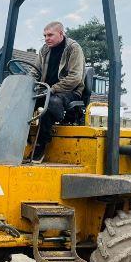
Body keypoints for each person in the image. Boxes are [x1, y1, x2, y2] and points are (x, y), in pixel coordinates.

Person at [32, 21, 85, 161]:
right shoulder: (44, 50)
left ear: (61, 34)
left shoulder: (73, 49)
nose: (46, 38)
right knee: (23, 102)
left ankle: (40, 144)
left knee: (51, 103)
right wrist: (26, 86)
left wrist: (51, 89)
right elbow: (34, 72)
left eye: (50, 35)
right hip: (46, 90)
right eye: (44, 35)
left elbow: (75, 78)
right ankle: (19, 140)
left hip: (69, 91)